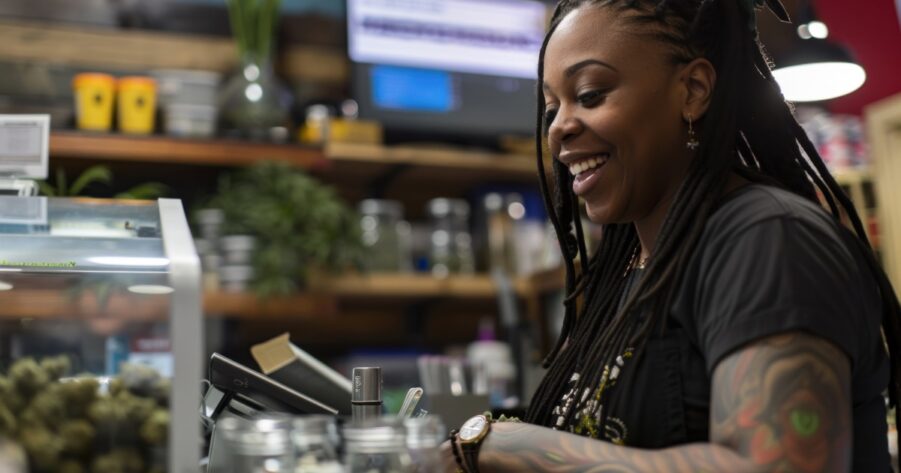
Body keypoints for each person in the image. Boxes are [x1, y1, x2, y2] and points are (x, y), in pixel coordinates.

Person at [442, 0, 901, 471]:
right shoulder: (634, 271)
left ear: (693, 89)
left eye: (591, 93)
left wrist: (509, 448)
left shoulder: (769, 239)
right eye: (552, 108)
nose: (558, 128)